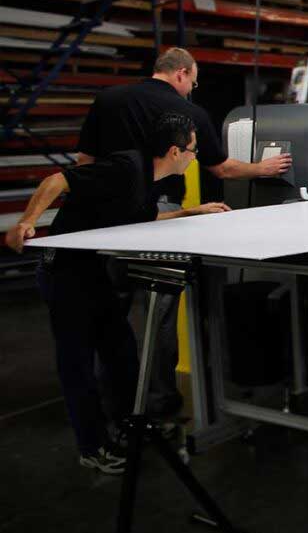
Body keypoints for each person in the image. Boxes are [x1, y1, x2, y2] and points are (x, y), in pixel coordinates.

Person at [4, 113, 229, 474]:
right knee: (77, 364)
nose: (195, 155)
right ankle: (91, 446)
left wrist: (193, 212)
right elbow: (56, 180)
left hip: (94, 272)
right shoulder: (126, 167)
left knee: (122, 352)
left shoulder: (156, 179)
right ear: (174, 151)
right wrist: (26, 222)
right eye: (193, 149)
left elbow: (141, 217)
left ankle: (130, 426)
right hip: (62, 272)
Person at [75, 47, 291, 420]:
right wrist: (264, 168)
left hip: (103, 219)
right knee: (159, 314)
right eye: (192, 80)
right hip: (159, 218)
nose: (193, 87)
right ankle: (158, 404)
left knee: (109, 314)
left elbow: (84, 164)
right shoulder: (189, 113)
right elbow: (222, 169)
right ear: (180, 74)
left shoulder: (107, 100)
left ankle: (111, 403)